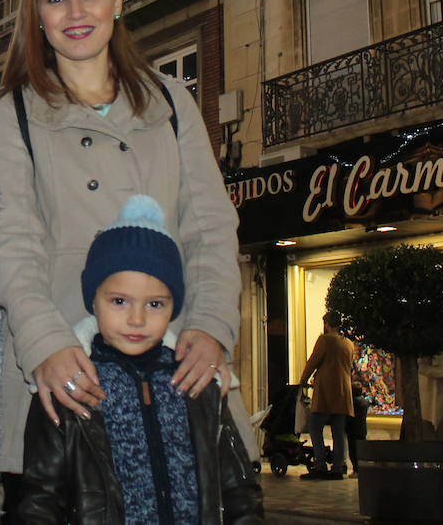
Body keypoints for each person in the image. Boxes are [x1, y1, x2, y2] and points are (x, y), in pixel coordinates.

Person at [0, 0, 241, 501]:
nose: (76, 13)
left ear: (118, 2)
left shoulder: (172, 101)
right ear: (37, 16)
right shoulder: (12, 113)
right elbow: (13, 244)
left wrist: (212, 327)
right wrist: (44, 344)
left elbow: (210, 229)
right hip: (68, 370)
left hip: (175, 362)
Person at [17, 196, 262, 524]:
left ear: (174, 305)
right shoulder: (71, 385)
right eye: (120, 301)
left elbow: (238, 490)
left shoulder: (200, 382)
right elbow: (39, 499)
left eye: (155, 304)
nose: (136, 319)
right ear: (94, 299)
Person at [298, 313, 355, 480]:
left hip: (326, 390)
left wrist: (303, 380)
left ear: (327, 323)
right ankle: (338, 466)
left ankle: (321, 464)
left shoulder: (325, 340)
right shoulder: (348, 343)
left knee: (315, 427)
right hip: (343, 391)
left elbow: (313, 361)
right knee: (338, 430)